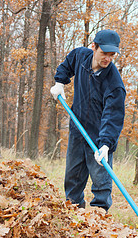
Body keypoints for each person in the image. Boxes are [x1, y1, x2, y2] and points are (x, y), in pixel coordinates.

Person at [50, 29, 126, 213]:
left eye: (111, 55)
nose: (107, 58)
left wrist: (106, 145)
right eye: (103, 53)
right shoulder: (80, 56)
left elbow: (113, 115)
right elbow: (66, 66)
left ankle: (98, 222)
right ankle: (73, 214)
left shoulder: (114, 83)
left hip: (99, 139)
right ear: (93, 47)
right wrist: (60, 83)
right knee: (73, 178)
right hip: (77, 130)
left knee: (101, 183)